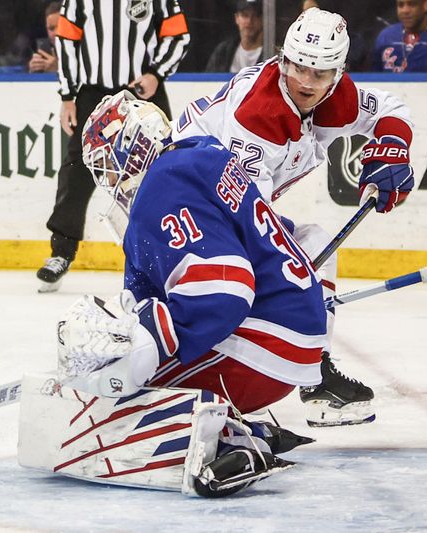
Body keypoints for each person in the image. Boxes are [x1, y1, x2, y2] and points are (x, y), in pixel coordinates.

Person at [50, 91, 323, 496]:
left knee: (108, 403)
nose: (109, 181)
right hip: (293, 332)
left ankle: (229, 443)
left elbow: (224, 292)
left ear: (132, 146)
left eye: (108, 167)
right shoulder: (203, 156)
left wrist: (143, 343)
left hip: (264, 345)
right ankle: (241, 429)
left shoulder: (162, 184)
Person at [171, 7, 415, 427]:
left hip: (222, 199)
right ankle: (175, 364)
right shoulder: (257, 117)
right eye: (297, 66)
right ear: (284, 58)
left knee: (313, 244)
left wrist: (392, 146)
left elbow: (388, 107)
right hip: (182, 200)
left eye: (318, 74)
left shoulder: (335, 96)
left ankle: (315, 377)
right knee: (247, 283)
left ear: (337, 73)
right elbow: (247, 220)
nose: (304, 80)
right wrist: (287, 288)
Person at [35, 0, 190, 292]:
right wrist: (67, 96)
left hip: (143, 91)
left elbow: (178, 35)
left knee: (162, 172)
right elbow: (67, 41)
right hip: (94, 93)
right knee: (77, 170)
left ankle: (173, 253)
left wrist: (156, 74)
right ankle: (61, 252)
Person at [205, 0, 263, 73]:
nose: (249, 21)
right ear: (237, 18)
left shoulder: (273, 54)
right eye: (245, 15)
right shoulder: (223, 52)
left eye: (256, 16)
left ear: (263, 19)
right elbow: (209, 81)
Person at [27, 1, 60, 73]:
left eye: (61, 27)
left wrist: (58, 70)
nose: (56, 33)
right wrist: (32, 73)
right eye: (51, 28)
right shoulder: (43, 53)